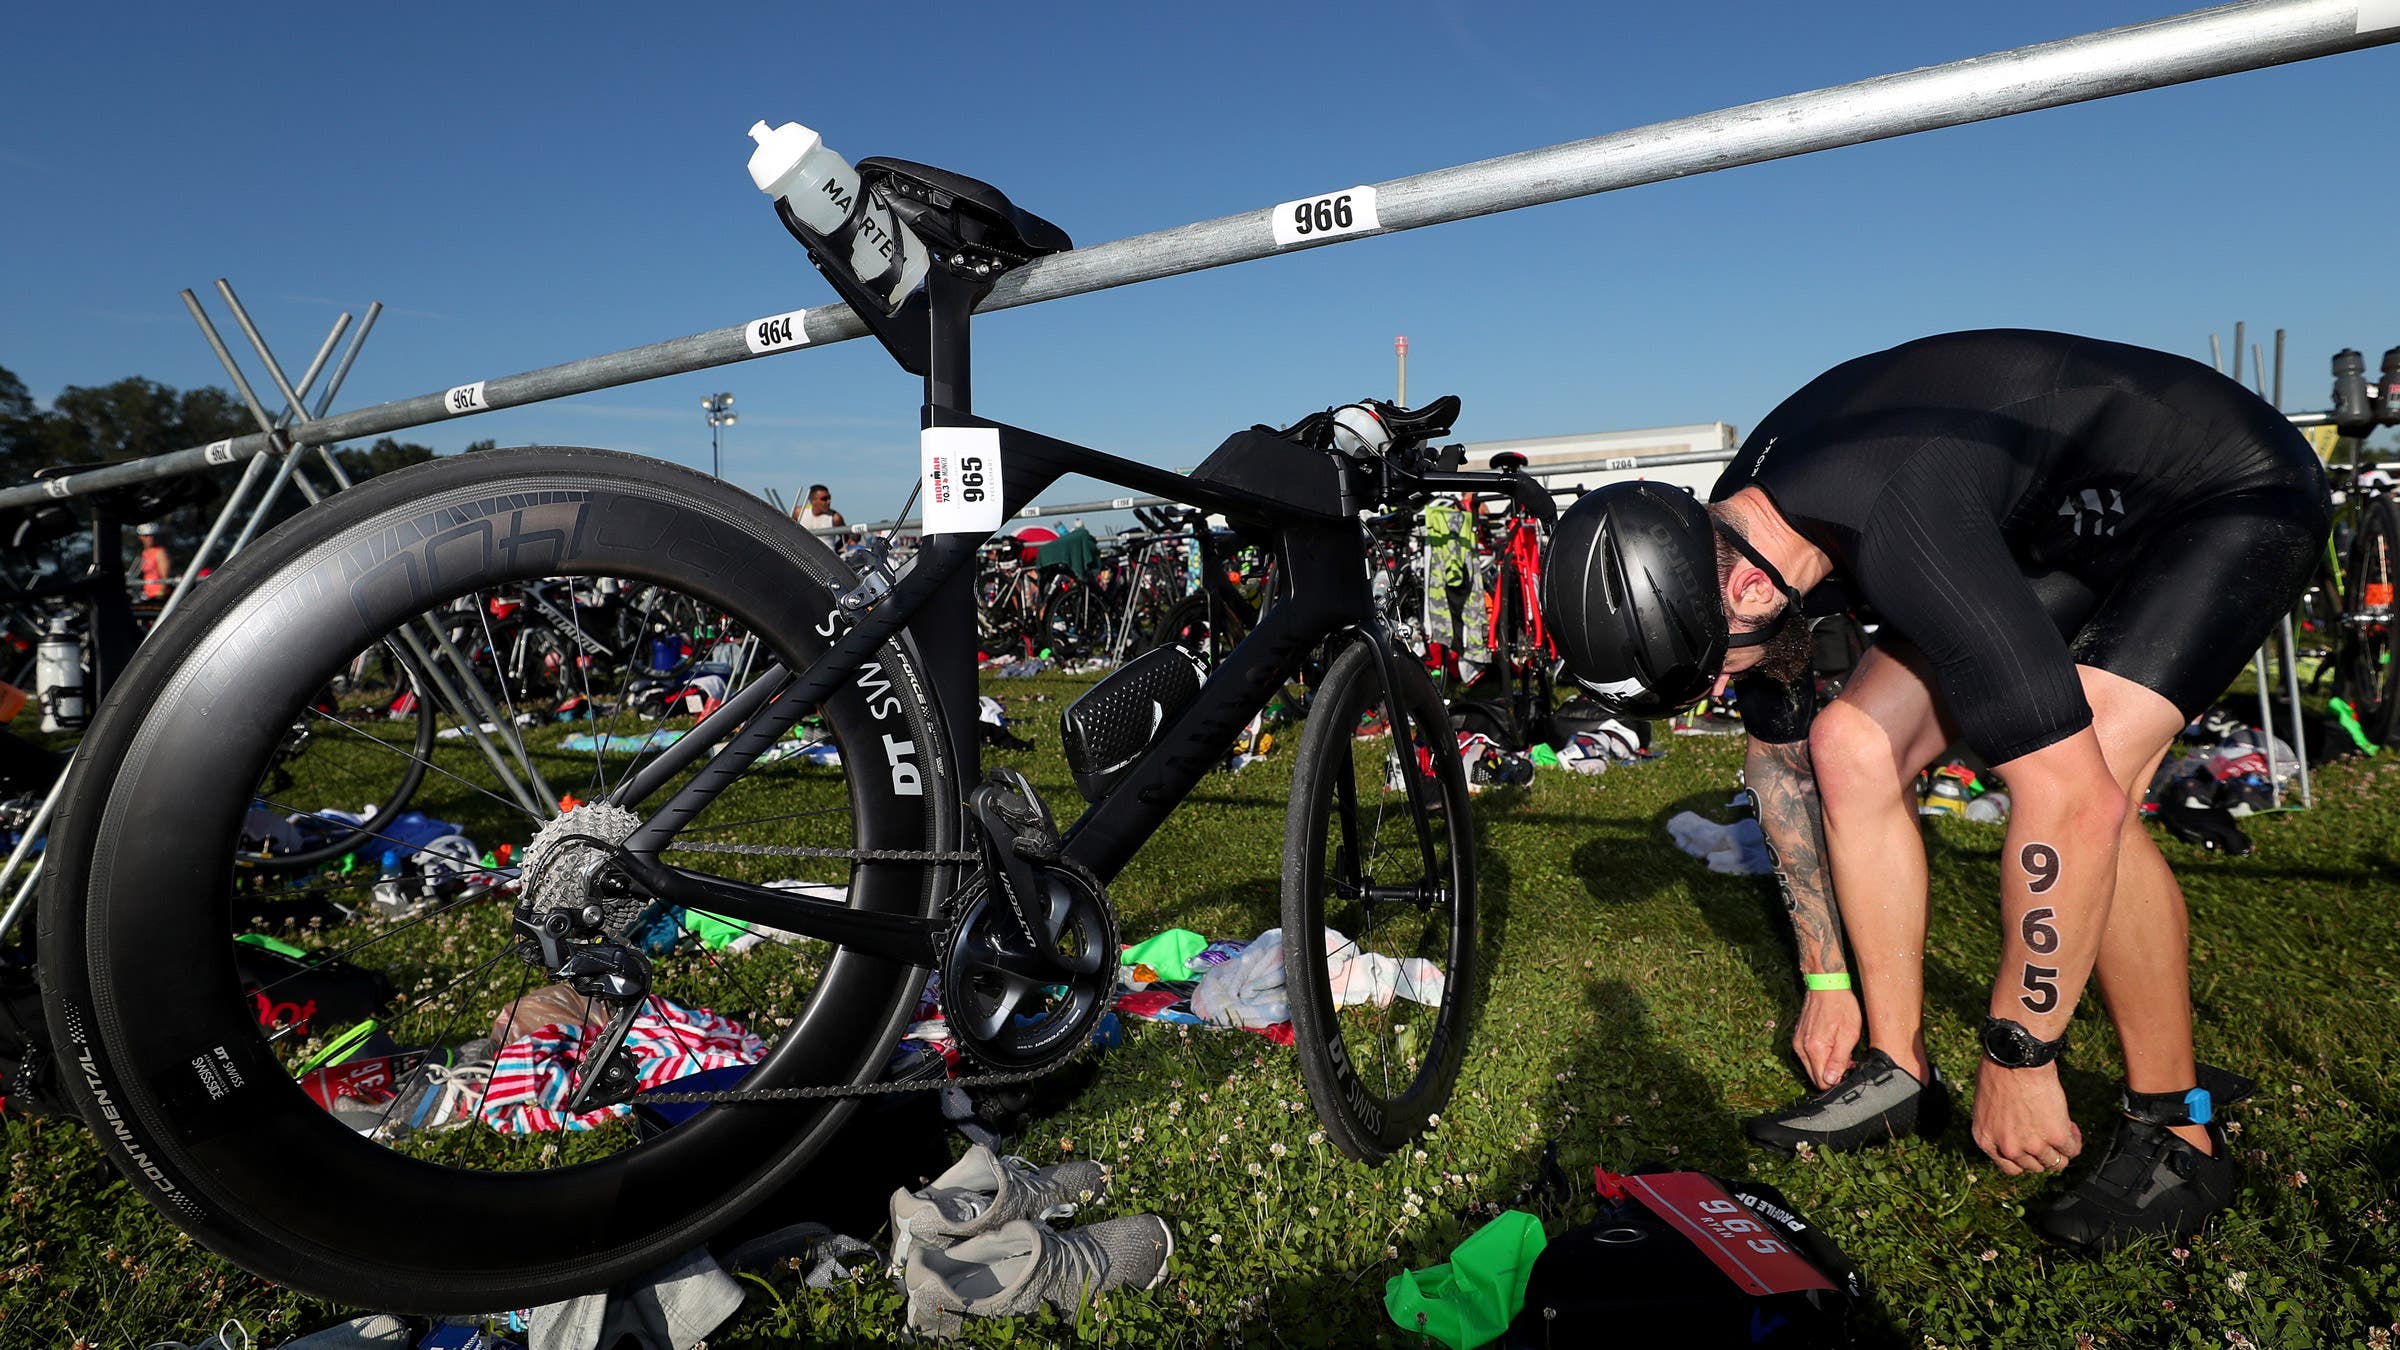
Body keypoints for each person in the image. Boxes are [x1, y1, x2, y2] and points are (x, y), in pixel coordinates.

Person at [1544, 329, 2329, 1250]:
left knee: (2088, 784)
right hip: (2054, 517)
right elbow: (1781, 759)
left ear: (1750, 594)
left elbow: (2077, 808)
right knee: (1848, 743)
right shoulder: (1736, 533)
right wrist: (1826, 979)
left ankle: (2177, 1124)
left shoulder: (1884, 523)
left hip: (2222, 495)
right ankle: (1897, 1067)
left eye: (1714, 674)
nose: (1721, 692)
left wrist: (2019, 1055)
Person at [136, 522, 172, 600]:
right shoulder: (143, 553)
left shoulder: (160, 552)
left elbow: (165, 578)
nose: (150, 538)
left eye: (152, 535)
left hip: (159, 596)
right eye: (146, 536)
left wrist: (161, 594)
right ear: (140, 537)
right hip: (147, 595)